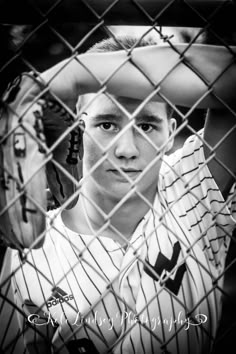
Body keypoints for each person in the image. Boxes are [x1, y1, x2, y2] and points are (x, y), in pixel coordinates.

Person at [1, 34, 236, 354]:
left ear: (171, 132)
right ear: (77, 128)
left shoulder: (193, 189)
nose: (126, 150)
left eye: (146, 125)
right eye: (108, 124)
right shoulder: (32, 249)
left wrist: (70, 74)